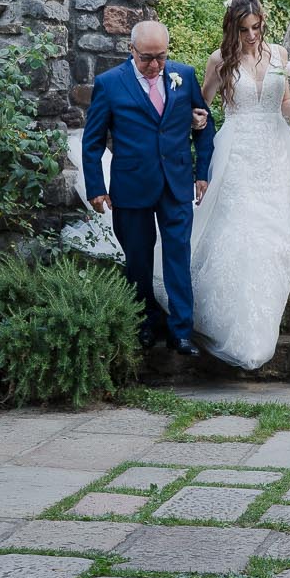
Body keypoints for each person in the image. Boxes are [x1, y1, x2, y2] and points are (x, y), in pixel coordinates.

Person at [83, 19, 215, 355]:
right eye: (147, 58)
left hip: (176, 184)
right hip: (131, 188)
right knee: (138, 261)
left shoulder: (183, 76)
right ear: (131, 50)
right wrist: (96, 187)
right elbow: (93, 140)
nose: (155, 65)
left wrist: (202, 172)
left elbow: (204, 122)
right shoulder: (109, 84)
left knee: (178, 257)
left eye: (161, 56)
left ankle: (181, 331)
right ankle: (143, 323)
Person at [189, 0, 290, 369]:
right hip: (236, 152)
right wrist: (197, 120)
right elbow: (200, 104)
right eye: (244, 29)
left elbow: (284, 107)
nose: (252, 36)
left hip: (275, 153)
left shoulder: (280, 56)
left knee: (274, 238)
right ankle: (232, 329)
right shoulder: (219, 60)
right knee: (239, 233)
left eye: (256, 27)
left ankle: (261, 328)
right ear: (232, 28)